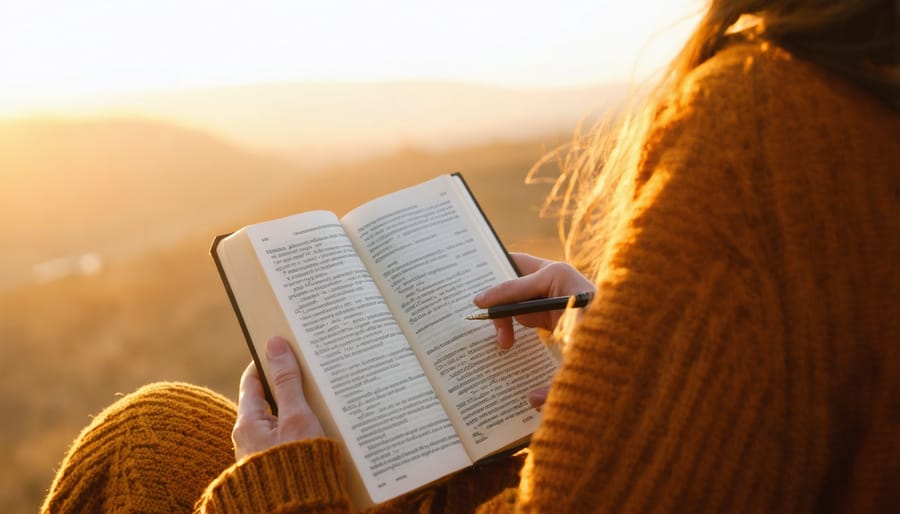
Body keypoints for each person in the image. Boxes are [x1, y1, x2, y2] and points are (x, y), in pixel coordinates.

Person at [42, 0, 898, 512]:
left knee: (146, 453)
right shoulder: (852, 96)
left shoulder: (767, 117)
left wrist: (288, 490)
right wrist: (631, 349)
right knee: (154, 430)